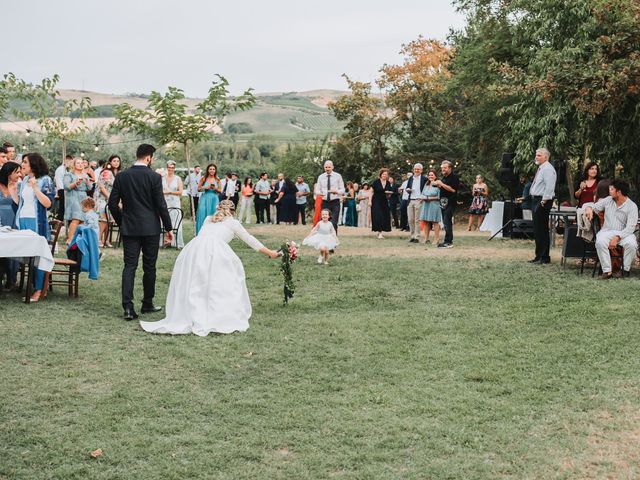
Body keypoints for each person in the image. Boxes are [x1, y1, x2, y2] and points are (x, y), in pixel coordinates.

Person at [140, 200, 280, 336]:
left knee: (197, 284)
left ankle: (195, 312)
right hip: (215, 251)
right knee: (222, 282)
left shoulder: (208, 219)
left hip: (194, 249)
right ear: (233, 211)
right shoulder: (233, 223)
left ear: (218, 208)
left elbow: (204, 235)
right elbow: (250, 239)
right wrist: (270, 253)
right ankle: (216, 314)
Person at [108, 144, 173, 320]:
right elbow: (161, 205)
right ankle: (147, 303)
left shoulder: (122, 176)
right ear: (149, 158)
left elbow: (112, 204)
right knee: (149, 267)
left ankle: (128, 308)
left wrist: (123, 222)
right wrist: (169, 228)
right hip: (151, 228)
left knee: (129, 266)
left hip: (130, 228)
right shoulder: (154, 177)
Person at [15, 153, 55, 302]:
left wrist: (36, 188)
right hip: (23, 219)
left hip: (36, 221)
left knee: (37, 254)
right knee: (26, 254)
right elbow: (22, 202)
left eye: (25, 162)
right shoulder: (24, 179)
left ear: (33, 164)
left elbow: (48, 204)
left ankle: (39, 289)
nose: (22, 164)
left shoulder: (45, 180)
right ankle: (29, 285)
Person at [585, 179, 638, 279]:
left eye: (612, 189)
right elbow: (594, 206)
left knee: (632, 244)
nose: (609, 191)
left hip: (625, 233)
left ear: (619, 192)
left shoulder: (632, 206)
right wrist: (589, 209)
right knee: (600, 241)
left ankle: (625, 270)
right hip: (607, 231)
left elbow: (631, 227)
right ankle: (607, 271)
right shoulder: (608, 200)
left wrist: (618, 237)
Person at [527, 148, 556, 264]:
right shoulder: (542, 168)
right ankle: (538, 256)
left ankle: (544, 257)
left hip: (542, 201)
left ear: (546, 157)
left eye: (539, 155)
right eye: (536, 155)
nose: (536, 157)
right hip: (536, 200)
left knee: (542, 229)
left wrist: (543, 202)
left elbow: (549, 187)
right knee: (537, 230)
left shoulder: (548, 169)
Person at [0, 162, 21, 289]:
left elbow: (19, 204)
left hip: (12, 219)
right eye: (16, 172)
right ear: (9, 172)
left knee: (13, 249)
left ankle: (11, 278)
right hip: (0, 218)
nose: (19, 174)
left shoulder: (18, 186)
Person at [64, 157, 92, 244]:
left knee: (82, 219)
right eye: (78, 163)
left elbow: (89, 188)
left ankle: (78, 239)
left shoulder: (85, 175)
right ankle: (70, 239)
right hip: (73, 196)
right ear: (74, 165)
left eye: (81, 163)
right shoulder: (69, 175)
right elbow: (67, 186)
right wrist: (76, 183)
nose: (80, 164)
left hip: (83, 197)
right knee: (76, 218)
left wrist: (87, 180)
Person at [434, 160, 460, 249]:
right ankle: (447, 241)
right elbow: (444, 187)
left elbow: (453, 190)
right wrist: (439, 185)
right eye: (442, 168)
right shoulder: (444, 177)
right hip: (443, 202)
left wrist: (441, 184)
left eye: (445, 168)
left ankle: (448, 242)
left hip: (450, 203)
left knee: (447, 221)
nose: (443, 169)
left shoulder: (454, 177)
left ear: (450, 168)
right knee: (445, 222)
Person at [316, 160, 345, 233]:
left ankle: (333, 240)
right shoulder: (321, 177)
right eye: (326, 167)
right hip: (325, 202)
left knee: (334, 222)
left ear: (332, 167)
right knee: (324, 221)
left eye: (329, 167)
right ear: (324, 168)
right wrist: (320, 193)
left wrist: (337, 191)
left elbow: (343, 190)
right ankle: (325, 238)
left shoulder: (338, 176)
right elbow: (317, 190)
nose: (327, 168)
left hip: (335, 202)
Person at [162, 160, 184, 248]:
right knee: (164, 220)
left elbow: (181, 191)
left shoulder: (178, 178)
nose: (170, 169)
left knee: (175, 221)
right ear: (167, 168)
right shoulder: (162, 178)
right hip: (164, 202)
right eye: (169, 167)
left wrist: (170, 192)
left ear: (174, 168)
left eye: (172, 167)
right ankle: (165, 242)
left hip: (175, 202)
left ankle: (175, 242)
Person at [195, 164, 221, 235]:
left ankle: (212, 234)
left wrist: (215, 188)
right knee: (202, 214)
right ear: (208, 170)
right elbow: (198, 189)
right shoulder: (204, 178)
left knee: (213, 215)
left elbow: (220, 190)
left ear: (215, 170)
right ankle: (200, 233)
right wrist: (206, 187)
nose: (212, 170)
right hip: (205, 198)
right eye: (210, 169)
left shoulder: (217, 179)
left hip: (214, 199)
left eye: (213, 169)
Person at [95, 160, 115, 247]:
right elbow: (102, 187)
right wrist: (110, 197)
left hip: (108, 198)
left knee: (108, 219)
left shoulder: (113, 173)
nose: (116, 163)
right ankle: (98, 239)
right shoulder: (106, 172)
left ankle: (106, 240)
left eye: (118, 161)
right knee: (104, 219)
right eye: (114, 161)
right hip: (102, 198)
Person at [406, 163, 427, 243]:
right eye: (415, 169)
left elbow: (427, 189)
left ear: (421, 170)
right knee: (410, 219)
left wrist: (423, 197)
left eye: (418, 169)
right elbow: (408, 188)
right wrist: (408, 190)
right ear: (413, 170)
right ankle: (412, 235)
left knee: (417, 220)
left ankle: (417, 237)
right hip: (411, 200)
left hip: (419, 200)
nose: (416, 170)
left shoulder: (424, 179)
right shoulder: (411, 178)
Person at [420, 169, 443, 245]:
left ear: (435, 176)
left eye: (432, 175)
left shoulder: (438, 184)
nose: (430, 176)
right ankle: (426, 238)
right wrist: (423, 198)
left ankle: (436, 238)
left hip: (434, 204)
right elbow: (422, 193)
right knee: (426, 221)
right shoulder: (426, 184)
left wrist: (430, 198)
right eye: (429, 175)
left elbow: (439, 196)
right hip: (425, 204)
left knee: (435, 222)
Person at [371, 168, 393, 239]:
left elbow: (390, 193)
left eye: (386, 174)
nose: (385, 175)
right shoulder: (376, 182)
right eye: (383, 174)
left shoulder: (388, 183)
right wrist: (369, 201)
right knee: (378, 215)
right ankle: (380, 233)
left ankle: (380, 231)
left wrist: (389, 193)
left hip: (384, 201)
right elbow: (371, 192)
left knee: (383, 216)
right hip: (376, 200)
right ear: (381, 174)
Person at [53, 155, 71, 221]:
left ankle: (60, 220)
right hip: (62, 189)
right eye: (70, 162)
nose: (70, 164)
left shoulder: (64, 169)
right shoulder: (61, 169)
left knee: (63, 206)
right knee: (63, 206)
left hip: (62, 188)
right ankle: (59, 220)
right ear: (66, 160)